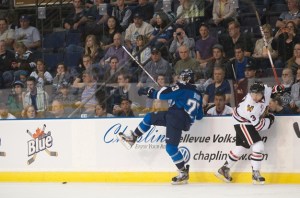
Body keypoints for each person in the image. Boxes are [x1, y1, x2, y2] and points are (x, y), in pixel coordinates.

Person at [118, 69, 203, 185]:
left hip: (176, 117)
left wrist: (150, 91)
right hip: (176, 117)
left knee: (171, 148)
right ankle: (133, 137)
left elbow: (162, 95)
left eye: (182, 77)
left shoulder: (182, 88)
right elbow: (199, 116)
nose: (180, 79)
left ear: (187, 79)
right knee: (149, 117)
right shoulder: (198, 94)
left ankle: (183, 172)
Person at [215, 81, 274, 185]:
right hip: (243, 121)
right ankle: (255, 174)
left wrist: (279, 87)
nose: (255, 97)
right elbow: (259, 126)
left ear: (262, 93)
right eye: (253, 94)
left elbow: (270, 89)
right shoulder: (250, 107)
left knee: (242, 146)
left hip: (241, 119)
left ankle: (224, 169)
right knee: (258, 145)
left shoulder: (264, 91)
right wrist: (270, 120)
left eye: (257, 94)